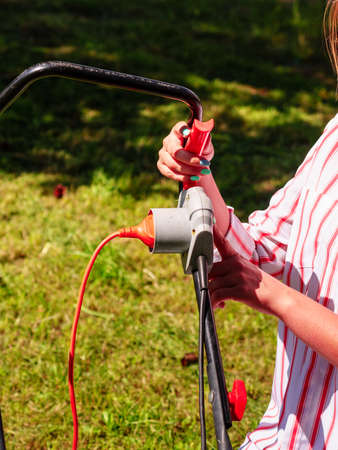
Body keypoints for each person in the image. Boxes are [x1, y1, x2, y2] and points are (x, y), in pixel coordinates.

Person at [157, 2, 338, 448]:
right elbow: (261, 249)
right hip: (287, 433)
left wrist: (273, 295)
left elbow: (262, 280)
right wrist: (197, 172)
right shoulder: (335, 140)